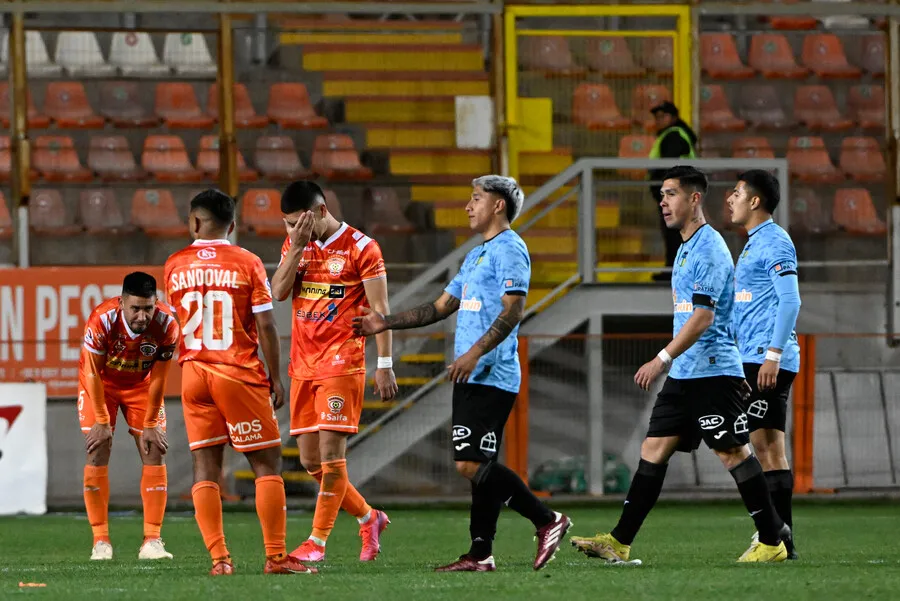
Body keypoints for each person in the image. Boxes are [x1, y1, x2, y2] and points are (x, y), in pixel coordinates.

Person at [570, 166, 791, 564]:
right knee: (653, 448)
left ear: (694, 199)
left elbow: (704, 317)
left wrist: (661, 358)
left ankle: (773, 540)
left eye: (670, 194)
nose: (663, 202)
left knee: (734, 454)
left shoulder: (708, 247)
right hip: (686, 373)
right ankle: (619, 541)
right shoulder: (686, 246)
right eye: (661, 195)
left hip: (713, 373)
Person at [353, 175, 571, 572]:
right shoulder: (476, 255)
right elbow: (438, 307)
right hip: (473, 374)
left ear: (498, 205)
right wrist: (385, 322)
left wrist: (473, 352)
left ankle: (547, 519)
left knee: (469, 463)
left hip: (492, 372)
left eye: (476, 199)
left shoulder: (511, 248)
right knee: (479, 469)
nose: (468, 206)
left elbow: (513, 310)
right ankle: (480, 553)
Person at [164, 189, 315, 576]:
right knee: (266, 464)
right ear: (232, 225)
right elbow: (265, 323)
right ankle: (277, 557)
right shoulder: (246, 261)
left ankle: (220, 560)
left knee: (206, 467)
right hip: (237, 372)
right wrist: (275, 376)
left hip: (194, 374)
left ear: (195, 222)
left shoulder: (174, 265)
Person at [270, 181, 397, 563]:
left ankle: (317, 544)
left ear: (320, 211)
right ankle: (368, 517)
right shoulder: (295, 246)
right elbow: (277, 292)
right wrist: (295, 245)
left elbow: (380, 311)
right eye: (287, 224)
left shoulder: (362, 247)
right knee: (309, 461)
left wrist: (385, 364)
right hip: (303, 365)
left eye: (297, 223)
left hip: (343, 362)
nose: (292, 230)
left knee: (330, 456)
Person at [79, 271, 179, 561]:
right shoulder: (101, 319)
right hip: (102, 385)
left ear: (155, 302)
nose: (142, 316)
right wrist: (100, 419)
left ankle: (152, 541)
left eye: (148, 308)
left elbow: (160, 377)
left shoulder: (167, 324)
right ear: (121, 303)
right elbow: (92, 372)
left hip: (142, 386)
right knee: (98, 449)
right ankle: (101, 542)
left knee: (154, 449)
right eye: (135, 308)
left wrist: (150, 424)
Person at [728, 170, 801, 560]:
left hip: (765, 359)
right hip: (756, 356)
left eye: (737, 193)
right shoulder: (756, 242)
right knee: (770, 446)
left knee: (760, 445)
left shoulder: (774, 241)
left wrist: (772, 355)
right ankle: (781, 541)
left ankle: (773, 539)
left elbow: (790, 301)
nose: (730, 199)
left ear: (755, 201)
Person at [648, 101, 698, 280]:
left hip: (675, 195)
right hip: (677, 194)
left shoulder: (673, 136)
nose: (659, 120)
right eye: (657, 117)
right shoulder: (671, 135)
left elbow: (669, 167)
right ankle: (674, 271)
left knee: (675, 235)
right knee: (675, 234)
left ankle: (675, 272)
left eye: (663, 116)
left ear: (673, 118)